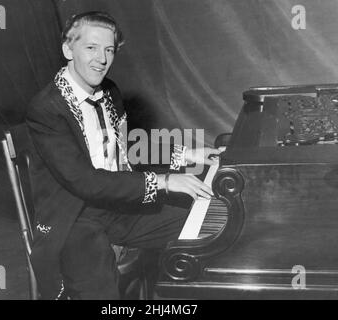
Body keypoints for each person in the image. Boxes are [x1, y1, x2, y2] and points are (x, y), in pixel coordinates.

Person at [26, 11, 221, 299]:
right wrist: (164, 181)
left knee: (205, 227)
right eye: (91, 48)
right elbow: (84, 181)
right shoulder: (46, 109)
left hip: (118, 205)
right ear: (68, 49)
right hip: (74, 218)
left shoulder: (109, 91)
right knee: (99, 289)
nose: (102, 59)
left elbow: (126, 146)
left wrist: (185, 154)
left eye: (109, 50)